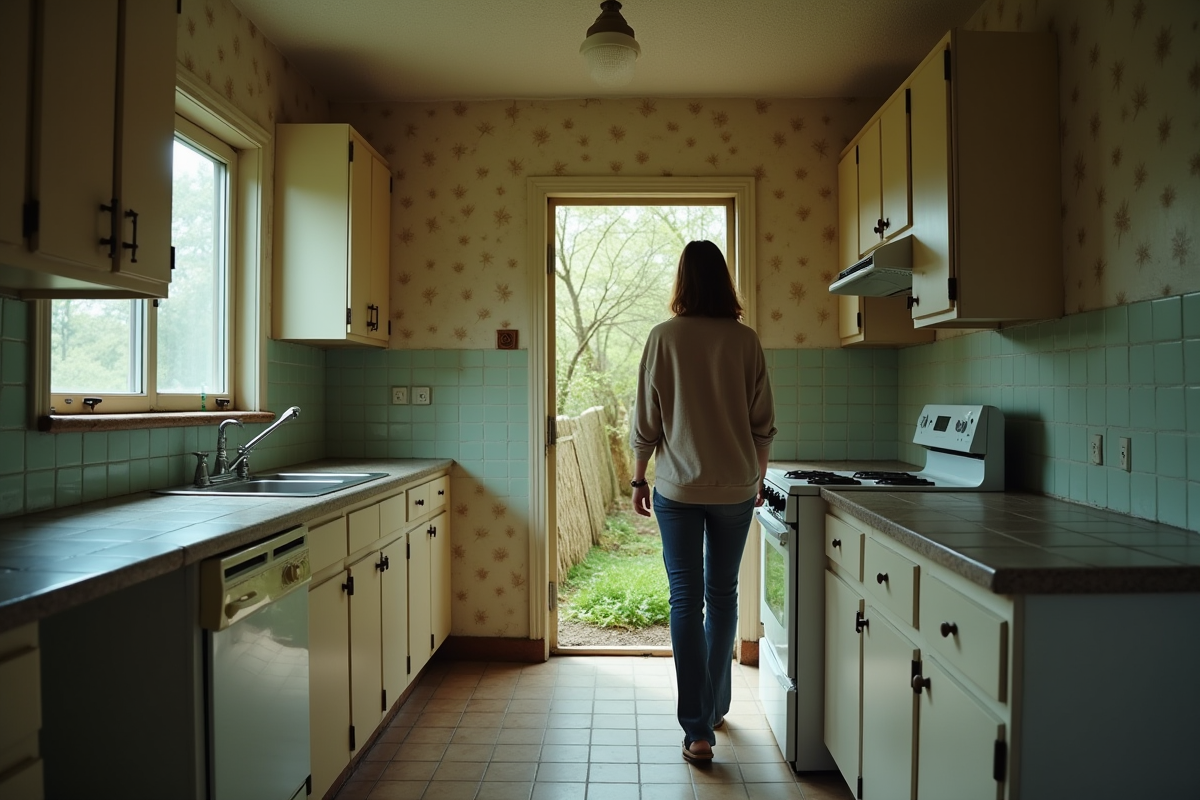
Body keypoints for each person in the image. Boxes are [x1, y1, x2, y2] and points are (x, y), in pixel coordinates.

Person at [628, 239, 776, 765]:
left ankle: (697, 732)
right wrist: (756, 480)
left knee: (686, 599)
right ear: (725, 281)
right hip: (736, 487)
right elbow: (763, 424)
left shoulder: (663, 338)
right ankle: (715, 706)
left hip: (677, 488)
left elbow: (646, 419)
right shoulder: (746, 340)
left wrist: (638, 479)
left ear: (681, 282)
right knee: (724, 594)